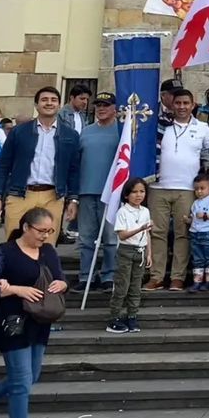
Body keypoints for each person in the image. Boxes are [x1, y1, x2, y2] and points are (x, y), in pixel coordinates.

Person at [145, 89, 209, 292]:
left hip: (188, 189)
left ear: (193, 104)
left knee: (183, 234)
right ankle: (157, 277)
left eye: (186, 103)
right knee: (157, 233)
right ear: (172, 104)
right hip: (157, 187)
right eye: (178, 103)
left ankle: (177, 277)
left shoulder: (202, 127)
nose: (182, 107)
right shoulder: (159, 125)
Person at [0, 207, 67, 418]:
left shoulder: (49, 251)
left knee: (31, 376)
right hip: (11, 322)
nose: (45, 235)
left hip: (40, 322)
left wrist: (63, 284)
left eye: (49, 231)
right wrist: (14, 289)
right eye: (41, 230)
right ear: (25, 227)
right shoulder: (5, 252)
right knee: (21, 381)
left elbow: (60, 277)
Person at [0, 87, 80, 246]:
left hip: (53, 196)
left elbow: (73, 170)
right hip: (20, 194)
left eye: (53, 100)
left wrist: (73, 199)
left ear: (59, 105)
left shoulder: (70, 135)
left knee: (47, 246)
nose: (49, 103)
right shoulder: (19, 132)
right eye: (44, 100)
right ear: (36, 105)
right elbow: (3, 165)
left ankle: (42, 272)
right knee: (14, 244)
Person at [75, 92, 121, 292]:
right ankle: (86, 276)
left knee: (110, 239)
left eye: (106, 105)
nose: (101, 108)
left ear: (114, 108)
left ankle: (108, 276)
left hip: (111, 193)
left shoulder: (122, 131)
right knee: (86, 238)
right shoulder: (86, 131)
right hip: (86, 190)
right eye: (98, 105)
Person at [107, 178, 152, 334]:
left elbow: (148, 234)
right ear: (126, 195)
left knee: (135, 287)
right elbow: (122, 235)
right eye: (134, 192)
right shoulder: (123, 212)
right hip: (126, 251)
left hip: (140, 251)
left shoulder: (145, 211)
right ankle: (114, 317)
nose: (138, 195)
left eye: (141, 191)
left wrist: (149, 253)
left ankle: (132, 315)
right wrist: (140, 228)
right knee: (122, 286)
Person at [185, 173, 209, 292]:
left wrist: (204, 215)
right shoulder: (195, 203)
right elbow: (194, 218)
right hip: (195, 233)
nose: (199, 191)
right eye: (196, 189)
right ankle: (197, 282)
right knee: (197, 259)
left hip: (208, 233)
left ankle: (208, 281)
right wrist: (188, 220)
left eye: (202, 188)